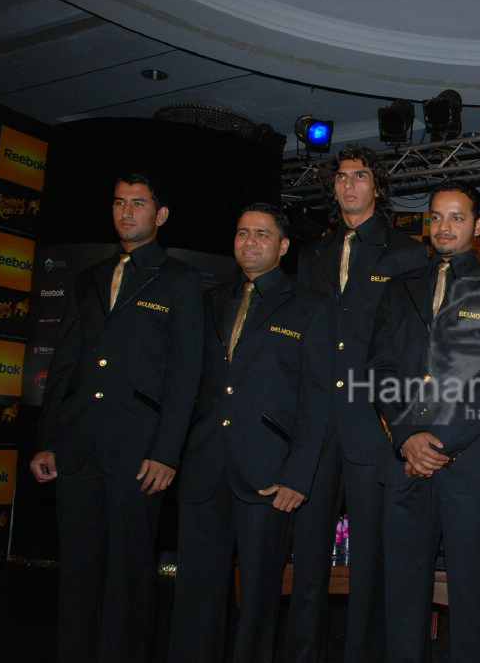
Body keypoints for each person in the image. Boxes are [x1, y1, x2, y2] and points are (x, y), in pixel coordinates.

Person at [29, 172, 204, 663]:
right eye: (119, 202)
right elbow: (64, 364)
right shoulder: (87, 279)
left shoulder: (180, 281)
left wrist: (167, 452)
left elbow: (186, 374)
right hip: (78, 446)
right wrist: (47, 440)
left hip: (138, 452)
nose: (127, 212)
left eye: (139, 203)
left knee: (128, 578)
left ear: (160, 215)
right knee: (78, 573)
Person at [168, 204, 332, 663]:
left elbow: (317, 399)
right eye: (242, 232)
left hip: (269, 472)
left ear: (282, 246)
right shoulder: (210, 300)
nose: (250, 242)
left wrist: (299, 475)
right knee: (195, 595)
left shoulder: (311, 308)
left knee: (258, 600)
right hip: (204, 466)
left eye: (262, 234)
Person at [368, 180, 480, 663]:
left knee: (473, 592)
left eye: (456, 217)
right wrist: (409, 438)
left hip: (468, 460)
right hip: (405, 461)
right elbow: (380, 368)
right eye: (435, 217)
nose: (443, 226)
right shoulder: (400, 289)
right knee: (403, 591)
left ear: (478, 225)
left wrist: (441, 442)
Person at [288, 144, 427, 662]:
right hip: (318, 431)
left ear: (377, 187)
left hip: (374, 428)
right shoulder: (312, 255)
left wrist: (405, 422)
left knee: (370, 567)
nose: (349, 185)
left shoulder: (406, 251)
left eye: (360, 176)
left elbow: (410, 349)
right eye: (341, 177)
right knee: (307, 568)